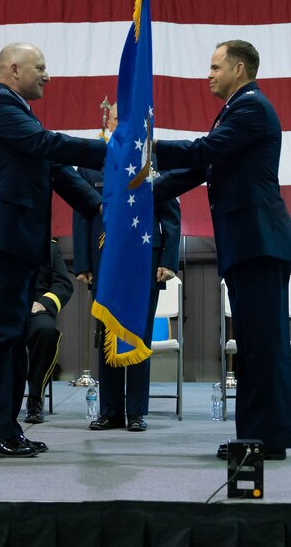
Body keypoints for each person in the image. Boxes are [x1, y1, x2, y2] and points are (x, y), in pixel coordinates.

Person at [153, 40, 291, 460]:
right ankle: (254, 437)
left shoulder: (251, 107)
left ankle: (266, 440)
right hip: (247, 243)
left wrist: (148, 145)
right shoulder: (236, 110)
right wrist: (141, 195)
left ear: (239, 68)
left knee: (263, 347)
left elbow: (202, 151)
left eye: (216, 66)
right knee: (255, 346)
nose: (209, 74)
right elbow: (200, 169)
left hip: (258, 242)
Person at [0, 42, 105, 458]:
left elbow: (57, 170)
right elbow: (51, 148)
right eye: (40, 67)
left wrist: (100, 207)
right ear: (12, 68)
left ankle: (8, 427)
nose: (47, 75)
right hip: (2, 243)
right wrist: (113, 151)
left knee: (11, 339)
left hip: (18, 245)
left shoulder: (20, 113)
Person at [73, 103, 181, 433]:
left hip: (145, 262)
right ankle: (109, 412)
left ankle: (136, 411)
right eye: (118, 117)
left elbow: (171, 215)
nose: (124, 123)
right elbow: (82, 214)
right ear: (107, 121)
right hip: (104, 263)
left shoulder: (153, 160)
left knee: (138, 335)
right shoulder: (94, 162)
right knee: (106, 335)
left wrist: (168, 261)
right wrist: (82, 263)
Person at [0, 238, 75, 425]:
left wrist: (44, 303)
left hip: (32, 309)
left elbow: (63, 283)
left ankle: (35, 397)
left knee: (46, 331)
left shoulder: (47, 246)